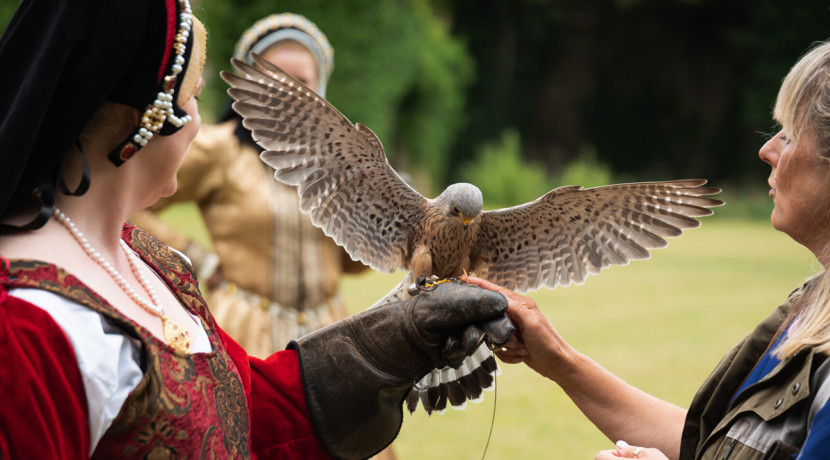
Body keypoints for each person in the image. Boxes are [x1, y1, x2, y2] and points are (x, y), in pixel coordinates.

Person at [0, 1, 511, 458]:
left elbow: (240, 413)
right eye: (193, 95)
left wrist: (390, 341)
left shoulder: (150, 265)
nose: (199, 121)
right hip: (252, 315)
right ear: (145, 117)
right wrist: (205, 256)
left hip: (317, 321)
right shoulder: (27, 323)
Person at [467, 40, 830, 460]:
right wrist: (558, 359)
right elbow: (706, 442)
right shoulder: (807, 312)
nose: (766, 150)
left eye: (790, 136)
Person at [130, 13, 369, 359]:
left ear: (320, 89)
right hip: (244, 340)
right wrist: (196, 258)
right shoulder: (219, 149)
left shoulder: (335, 165)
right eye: (275, 80)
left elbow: (352, 265)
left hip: (329, 343)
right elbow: (131, 201)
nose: (291, 94)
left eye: (302, 82)